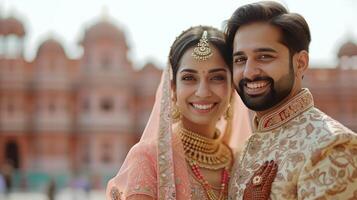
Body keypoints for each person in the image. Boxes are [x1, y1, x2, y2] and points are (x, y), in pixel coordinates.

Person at [106, 26, 277, 200]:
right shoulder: (150, 158)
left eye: (217, 77)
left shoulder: (243, 163)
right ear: (173, 89)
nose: (203, 92)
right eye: (189, 78)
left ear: (232, 88)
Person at [225, 1, 357, 199]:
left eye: (264, 56)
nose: (249, 72)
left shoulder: (331, 146)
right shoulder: (243, 150)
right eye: (240, 60)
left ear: (300, 63)